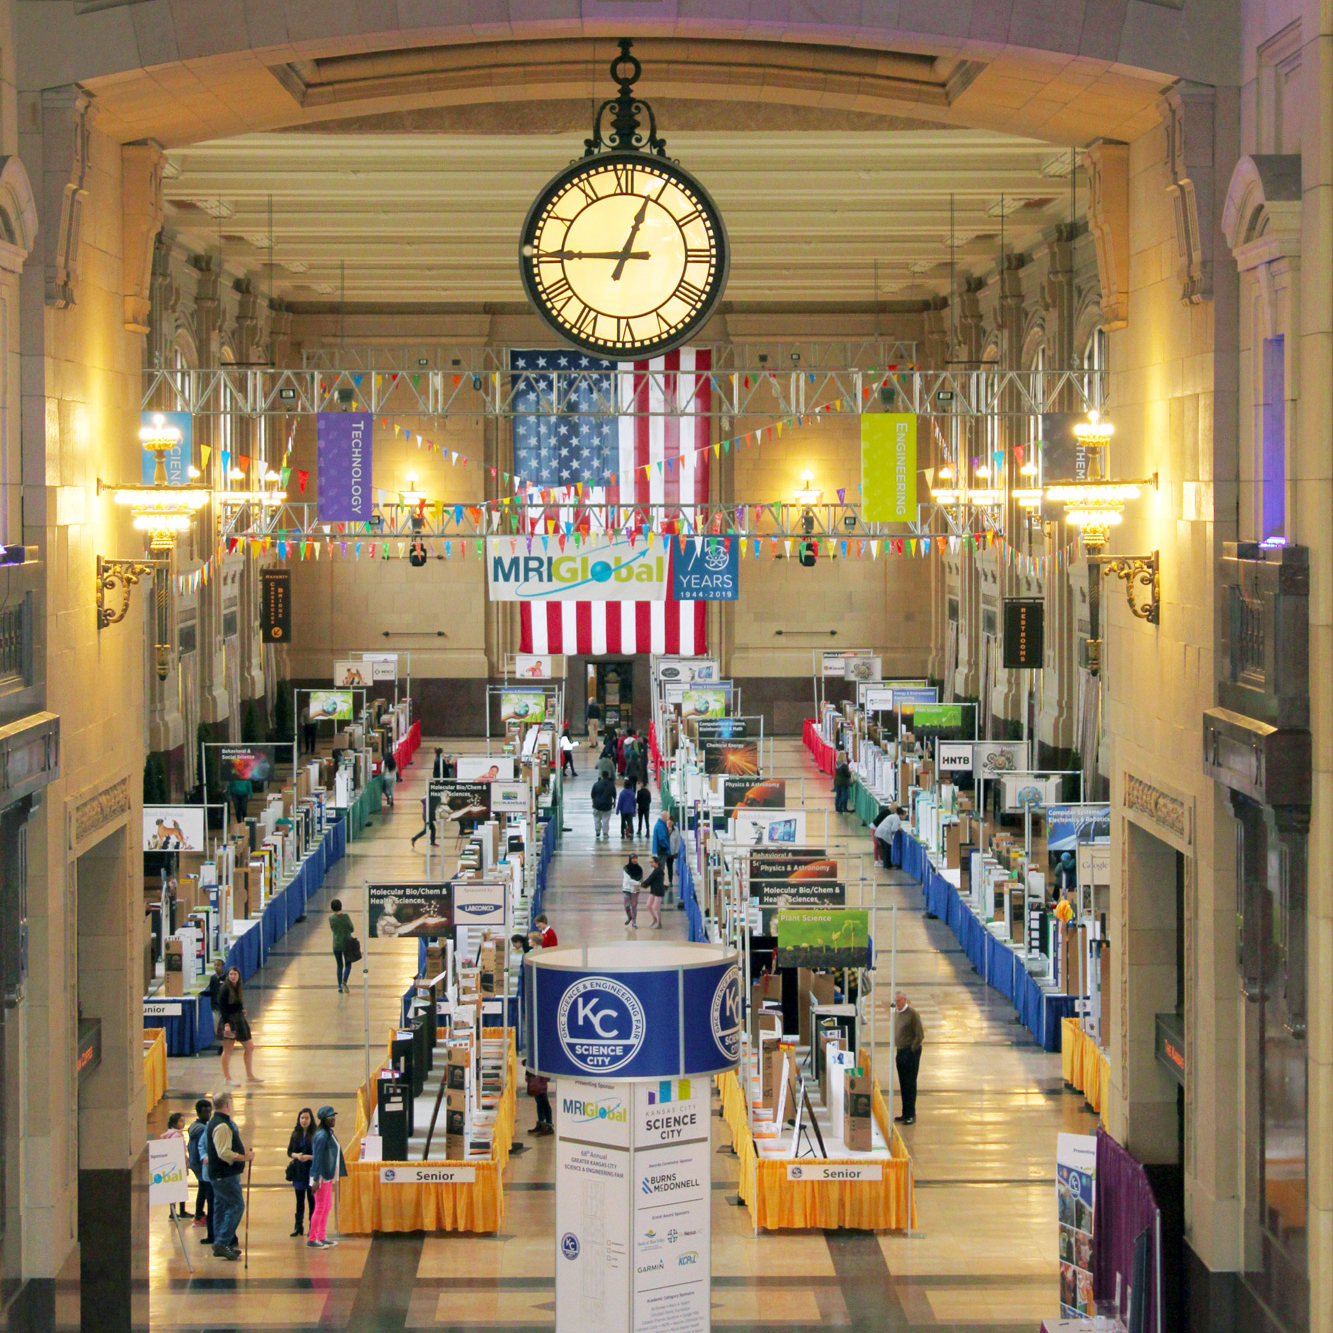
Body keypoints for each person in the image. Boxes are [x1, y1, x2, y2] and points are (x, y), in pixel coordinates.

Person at [206, 1091, 253, 1260]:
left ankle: (220, 1241)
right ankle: (223, 1241)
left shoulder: (215, 1122)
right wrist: (244, 1157)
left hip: (219, 1175)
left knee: (221, 1206)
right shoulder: (222, 1125)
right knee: (236, 1206)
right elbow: (224, 1153)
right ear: (227, 1105)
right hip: (224, 1175)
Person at [307, 1106, 346, 1249]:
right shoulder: (321, 1136)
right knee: (320, 1207)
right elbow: (317, 1158)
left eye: (334, 1116)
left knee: (327, 1205)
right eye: (331, 1117)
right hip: (321, 1176)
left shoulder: (328, 1133)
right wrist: (316, 1178)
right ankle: (312, 1238)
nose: (334, 1119)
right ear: (324, 1120)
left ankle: (321, 1236)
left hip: (327, 1175)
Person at [217, 967, 262, 1085]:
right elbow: (222, 1008)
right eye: (231, 974)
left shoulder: (238, 987)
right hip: (229, 1021)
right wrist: (226, 1024)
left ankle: (249, 1075)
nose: (233, 976)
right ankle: (227, 1078)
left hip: (239, 1019)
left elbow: (237, 1003)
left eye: (235, 974)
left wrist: (241, 1010)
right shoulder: (225, 988)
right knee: (228, 1049)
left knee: (249, 1046)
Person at [893, 992, 925, 1125]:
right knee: (903, 1083)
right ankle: (905, 1112)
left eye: (899, 1001)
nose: (897, 1004)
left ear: (905, 1000)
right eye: (896, 1001)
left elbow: (920, 1035)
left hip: (910, 1052)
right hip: (900, 1051)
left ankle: (911, 1113)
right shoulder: (896, 1013)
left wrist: (912, 1049)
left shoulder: (912, 1014)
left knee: (910, 1083)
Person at [287, 1108, 316, 1237]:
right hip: (298, 1171)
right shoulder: (295, 1134)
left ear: (311, 1119)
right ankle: (298, 1226)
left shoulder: (315, 1134)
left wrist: (308, 1157)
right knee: (299, 1200)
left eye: (306, 1118)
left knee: (311, 1200)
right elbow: (289, 1152)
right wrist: (296, 1155)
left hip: (310, 1171)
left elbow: (319, 1154)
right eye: (302, 1118)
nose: (304, 1120)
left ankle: (312, 1226)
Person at [187, 1098, 213, 1231]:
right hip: (200, 1163)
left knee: (202, 1188)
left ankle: (199, 1214)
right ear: (199, 1113)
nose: (208, 1115)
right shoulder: (203, 1130)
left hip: (194, 1162)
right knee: (204, 1189)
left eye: (210, 1112)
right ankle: (199, 1215)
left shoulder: (193, 1126)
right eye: (205, 1112)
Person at [329, 899, 355, 993]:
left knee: (339, 965)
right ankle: (344, 981)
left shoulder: (331, 919)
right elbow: (352, 929)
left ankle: (339, 986)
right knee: (348, 964)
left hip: (336, 944)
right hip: (347, 943)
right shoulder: (346, 917)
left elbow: (333, 929)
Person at [202, 958, 227, 1044]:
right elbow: (212, 992)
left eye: (218, 965)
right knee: (216, 1027)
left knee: (225, 1026)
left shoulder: (226, 977)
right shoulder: (213, 978)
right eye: (215, 965)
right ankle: (220, 1043)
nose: (216, 967)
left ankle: (225, 1045)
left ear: (223, 967)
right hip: (215, 1006)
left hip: (224, 1007)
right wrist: (203, 993)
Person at [641, 854, 666, 929]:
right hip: (653, 890)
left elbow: (650, 878)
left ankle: (659, 923)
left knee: (656, 907)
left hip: (658, 891)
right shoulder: (656, 869)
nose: (651, 864)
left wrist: (643, 884)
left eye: (652, 862)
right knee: (648, 905)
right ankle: (654, 919)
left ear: (656, 862)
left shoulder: (658, 870)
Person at [591, 769, 616, 840]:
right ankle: (605, 833)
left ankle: (597, 830)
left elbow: (592, 795)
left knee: (597, 818)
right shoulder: (611, 784)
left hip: (597, 804)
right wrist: (614, 803)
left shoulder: (596, 784)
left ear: (602, 776)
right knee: (606, 819)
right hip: (607, 804)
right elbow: (614, 795)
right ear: (607, 776)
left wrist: (593, 803)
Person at [526, 1068, 553, 1135]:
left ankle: (549, 1125)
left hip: (541, 1073)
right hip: (537, 1073)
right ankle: (541, 1123)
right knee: (539, 1102)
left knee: (544, 1102)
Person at [622, 852, 643, 927]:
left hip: (635, 890)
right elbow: (628, 880)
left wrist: (639, 884)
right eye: (633, 858)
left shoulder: (639, 869)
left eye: (635, 858)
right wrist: (638, 883)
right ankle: (629, 917)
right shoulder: (626, 868)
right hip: (627, 888)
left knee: (634, 906)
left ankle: (634, 922)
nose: (634, 860)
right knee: (626, 905)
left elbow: (641, 879)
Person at [651, 809, 673, 875]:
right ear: (665, 817)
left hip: (658, 849)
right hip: (661, 850)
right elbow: (662, 839)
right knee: (660, 867)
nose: (668, 819)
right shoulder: (661, 826)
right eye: (668, 817)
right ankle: (659, 882)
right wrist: (668, 847)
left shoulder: (660, 824)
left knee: (659, 867)